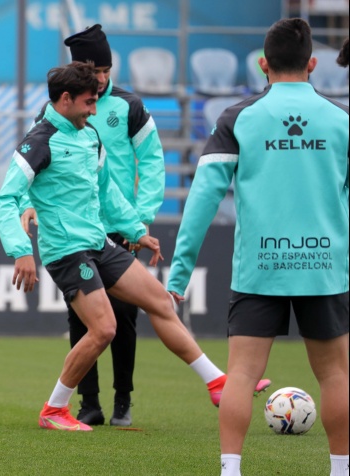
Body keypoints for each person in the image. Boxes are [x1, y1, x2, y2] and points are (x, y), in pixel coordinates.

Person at [0, 61, 269, 432]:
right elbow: (5, 199)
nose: (94, 110)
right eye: (89, 102)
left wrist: (137, 231)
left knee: (160, 301)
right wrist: (21, 250)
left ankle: (216, 382)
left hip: (99, 242)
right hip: (67, 251)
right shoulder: (39, 142)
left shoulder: (90, 135)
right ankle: (54, 409)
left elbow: (108, 192)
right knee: (104, 328)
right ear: (65, 99)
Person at [167, 18, 348, 476]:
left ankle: (230, 470)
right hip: (323, 266)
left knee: (242, 374)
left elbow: (202, 199)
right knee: (335, 374)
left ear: (263, 64)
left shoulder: (237, 118)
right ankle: (342, 470)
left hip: (261, 264)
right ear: (312, 64)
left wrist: (179, 273)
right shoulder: (342, 120)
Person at [20, 24, 165, 427]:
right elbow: (33, 166)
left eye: (105, 70)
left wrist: (141, 218)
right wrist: (30, 206)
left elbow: (152, 161)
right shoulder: (56, 110)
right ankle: (88, 402)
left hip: (119, 224)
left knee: (124, 314)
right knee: (82, 318)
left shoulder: (129, 106)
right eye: (93, 70)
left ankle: (123, 398)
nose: (100, 79)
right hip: (74, 227)